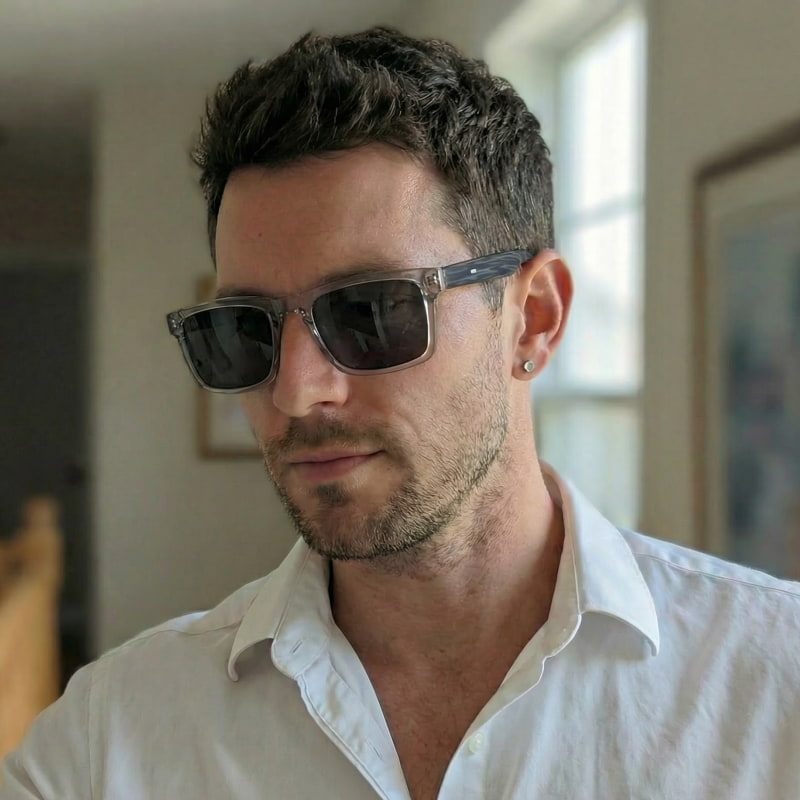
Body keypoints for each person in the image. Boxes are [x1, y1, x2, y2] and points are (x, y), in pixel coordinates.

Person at [2, 26, 799, 800]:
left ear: (534, 318)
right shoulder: (110, 741)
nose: (297, 392)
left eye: (371, 312)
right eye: (246, 331)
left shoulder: (774, 687)